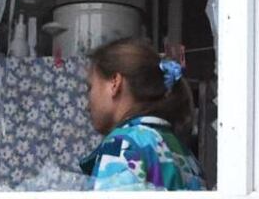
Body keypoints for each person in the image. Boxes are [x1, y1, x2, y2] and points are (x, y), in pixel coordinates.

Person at [79, 37, 206, 191]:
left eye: (90, 87)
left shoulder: (123, 146)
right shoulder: (184, 153)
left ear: (115, 82)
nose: (87, 104)